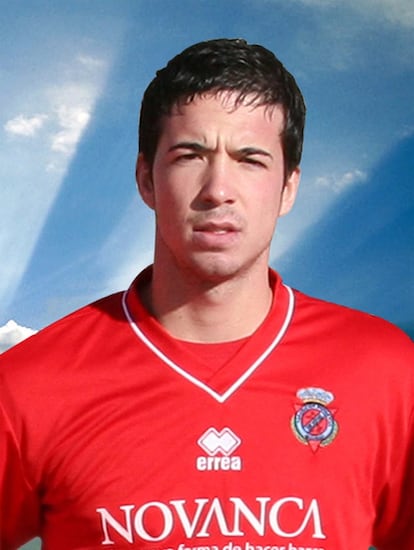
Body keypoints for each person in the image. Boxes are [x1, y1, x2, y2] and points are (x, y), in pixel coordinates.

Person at [0, 38, 413, 550]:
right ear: (146, 178)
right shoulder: (29, 385)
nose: (219, 189)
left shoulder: (387, 371)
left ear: (289, 188)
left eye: (250, 159)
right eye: (190, 155)